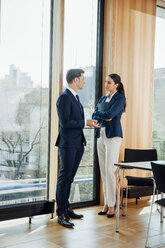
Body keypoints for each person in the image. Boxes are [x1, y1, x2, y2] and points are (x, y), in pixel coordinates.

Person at [55, 68, 99, 228]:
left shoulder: (75, 97)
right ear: (75, 80)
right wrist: (84, 123)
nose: (84, 81)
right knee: (64, 177)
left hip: (77, 144)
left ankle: (66, 208)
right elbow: (65, 123)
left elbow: (75, 121)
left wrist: (88, 122)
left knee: (69, 178)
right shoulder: (64, 98)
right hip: (67, 145)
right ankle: (61, 213)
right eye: (82, 79)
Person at [92, 73, 126, 218]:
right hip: (101, 135)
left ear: (116, 85)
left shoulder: (120, 98)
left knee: (110, 171)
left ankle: (112, 205)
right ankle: (107, 203)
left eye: (109, 82)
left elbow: (110, 114)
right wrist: (102, 114)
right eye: (106, 82)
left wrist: (102, 114)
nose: (106, 85)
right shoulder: (102, 98)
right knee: (104, 172)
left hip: (113, 137)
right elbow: (95, 115)